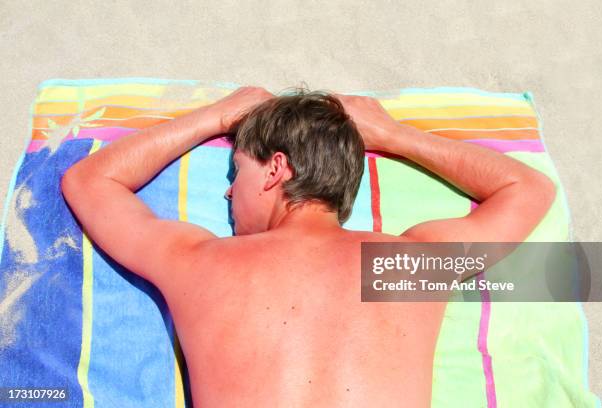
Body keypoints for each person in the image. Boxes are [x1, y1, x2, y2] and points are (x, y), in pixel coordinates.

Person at [61, 86, 556, 407]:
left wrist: (212, 117)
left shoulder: (202, 264)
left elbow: (89, 180)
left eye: (238, 171)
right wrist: (395, 136)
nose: (229, 191)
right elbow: (527, 189)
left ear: (275, 169)